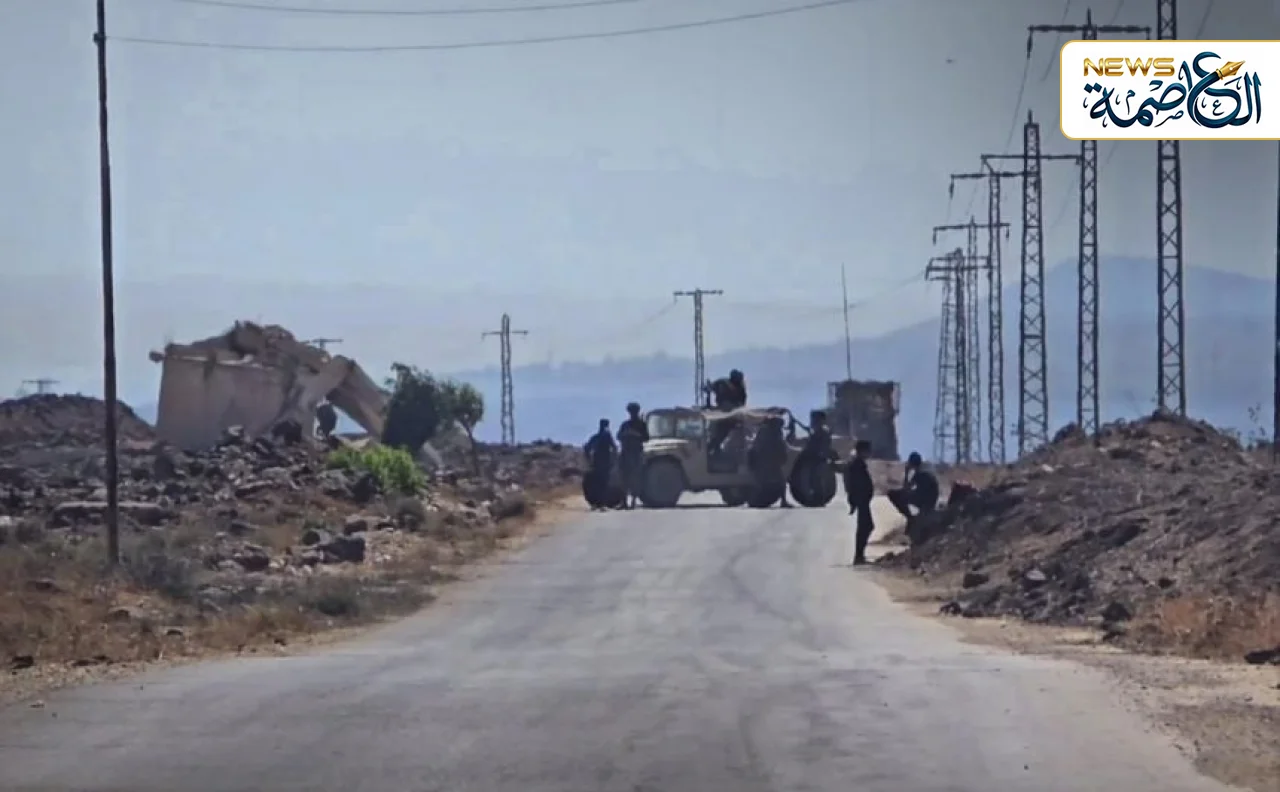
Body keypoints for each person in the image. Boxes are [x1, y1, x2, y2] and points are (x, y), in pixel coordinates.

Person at [844, 439, 875, 565]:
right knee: (866, 527)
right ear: (862, 451)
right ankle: (859, 556)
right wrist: (853, 500)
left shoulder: (859, 463)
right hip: (861, 500)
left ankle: (860, 555)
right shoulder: (856, 465)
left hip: (863, 500)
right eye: (868, 450)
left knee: (865, 526)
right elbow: (853, 484)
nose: (869, 453)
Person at [748, 415, 791, 507]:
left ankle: (782, 501)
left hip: (770, 461)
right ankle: (756, 500)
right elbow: (759, 447)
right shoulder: (767, 432)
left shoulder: (771, 432)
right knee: (772, 481)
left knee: (779, 481)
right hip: (766, 461)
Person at [887, 451, 940, 523]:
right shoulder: (923, 470)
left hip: (925, 500)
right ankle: (912, 518)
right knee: (901, 495)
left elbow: (906, 488)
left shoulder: (920, 473)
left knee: (893, 494)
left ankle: (909, 518)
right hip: (929, 499)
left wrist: (906, 473)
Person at [616, 402, 649, 509]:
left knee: (635, 478)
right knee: (623, 478)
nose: (632, 413)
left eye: (633, 411)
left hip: (636, 454)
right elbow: (618, 436)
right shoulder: (625, 424)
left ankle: (633, 501)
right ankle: (624, 501)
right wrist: (626, 435)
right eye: (631, 412)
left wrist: (636, 435)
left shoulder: (641, 425)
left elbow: (646, 438)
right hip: (625, 453)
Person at [583, 419, 618, 511]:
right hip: (602, 463)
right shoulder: (605, 437)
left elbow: (587, 448)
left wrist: (589, 460)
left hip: (601, 463)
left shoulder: (598, 437)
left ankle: (598, 504)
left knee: (600, 484)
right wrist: (614, 460)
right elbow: (614, 448)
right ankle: (600, 504)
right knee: (602, 484)